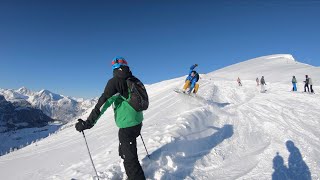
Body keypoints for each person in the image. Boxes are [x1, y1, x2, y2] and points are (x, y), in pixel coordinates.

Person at [75, 56, 146, 180]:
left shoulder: (115, 82)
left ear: (114, 67)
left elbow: (102, 104)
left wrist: (88, 123)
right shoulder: (133, 79)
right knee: (125, 151)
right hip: (137, 122)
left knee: (130, 160)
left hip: (127, 126)